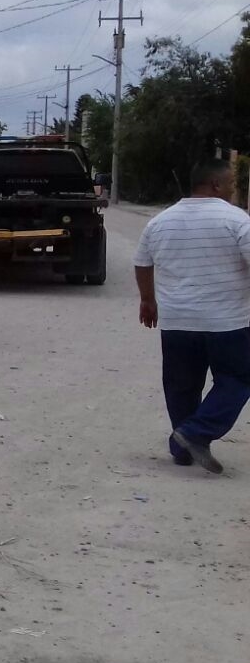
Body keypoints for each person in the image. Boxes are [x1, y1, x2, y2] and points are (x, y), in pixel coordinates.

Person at [133, 159, 250, 473]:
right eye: (230, 184)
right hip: (225, 322)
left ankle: (182, 448)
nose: (232, 190)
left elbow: (142, 262)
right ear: (215, 185)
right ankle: (194, 434)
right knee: (238, 378)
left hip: (176, 322)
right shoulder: (238, 220)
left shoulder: (161, 221)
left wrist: (148, 300)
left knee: (181, 385)